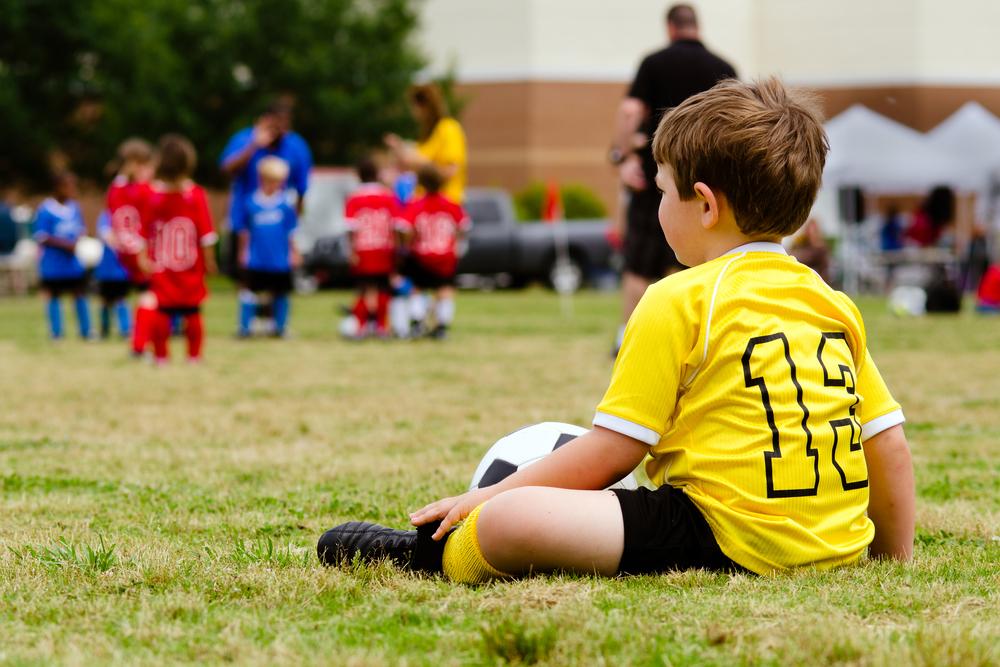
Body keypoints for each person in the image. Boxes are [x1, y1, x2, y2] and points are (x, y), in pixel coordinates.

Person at [317, 78, 915, 583]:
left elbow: (611, 451)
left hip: (721, 533)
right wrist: (891, 562)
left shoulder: (678, 297)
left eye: (660, 191)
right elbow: (886, 443)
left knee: (512, 519)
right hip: (831, 546)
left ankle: (431, 556)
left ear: (704, 205)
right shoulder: (831, 301)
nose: (656, 208)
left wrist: (484, 500)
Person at [610, 4, 736, 355]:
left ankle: (628, 339)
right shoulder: (723, 69)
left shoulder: (654, 63)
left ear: (670, 29)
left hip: (657, 180)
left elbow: (629, 111)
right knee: (686, 267)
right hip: (704, 185)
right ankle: (686, 343)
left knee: (638, 265)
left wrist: (621, 156)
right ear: (697, 27)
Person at [145, 135, 218, 363]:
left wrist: (143, 258)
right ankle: (194, 356)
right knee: (193, 311)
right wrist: (210, 262)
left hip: (163, 265)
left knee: (162, 311)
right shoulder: (195, 195)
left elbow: (145, 232)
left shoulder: (153, 195)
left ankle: (161, 356)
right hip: (190, 266)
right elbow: (206, 235)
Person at [220, 101, 311, 268]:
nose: (281, 130)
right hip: (245, 219)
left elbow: (302, 188)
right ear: (266, 120)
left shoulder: (296, 146)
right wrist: (254, 145)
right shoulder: (245, 139)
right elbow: (226, 169)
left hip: (278, 220)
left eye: (286, 125)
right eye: (277, 124)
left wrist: (293, 223)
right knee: (245, 268)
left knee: (277, 269)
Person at [398, 165, 470, 339]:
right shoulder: (450, 204)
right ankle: (441, 327)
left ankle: (417, 323)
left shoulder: (416, 204)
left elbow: (403, 228)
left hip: (422, 255)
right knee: (444, 290)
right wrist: (456, 242)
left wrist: (410, 242)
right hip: (446, 255)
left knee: (417, 288)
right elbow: (465, 226)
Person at [233, 156, 298, 338]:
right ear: (263, 179)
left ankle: (280, 327)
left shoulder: (285, 204)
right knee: (249, 292)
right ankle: (245, 328)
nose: (276, 185)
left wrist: (294, 253)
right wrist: (242, 253)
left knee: (280, 293)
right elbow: (244, 232)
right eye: (273, 181)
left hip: (278, 259)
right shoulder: (251, 203)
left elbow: (291, 232)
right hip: (256, 258)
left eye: (279, 182)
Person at [106, 138, 156, 351]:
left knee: (144, 295)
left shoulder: (115, 189)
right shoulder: (143, 190)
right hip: (142, 250)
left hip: (124, 251)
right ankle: (140, 342)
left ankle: (140, 337)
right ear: (136, 164)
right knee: (150, 296)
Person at [343, 156, 402, 337]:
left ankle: (360, 326)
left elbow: (350, 229)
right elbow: (397, 227)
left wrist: (351, 251)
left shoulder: (354, 198)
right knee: (383, 288)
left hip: (363, 249)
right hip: (384, 249)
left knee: (363, 288)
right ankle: (380, 326)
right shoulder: (388, 196)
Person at [385, 83, 467, 205]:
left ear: (425, 107)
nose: (414, 113)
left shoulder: (448, 128)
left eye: (415, 107)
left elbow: (451, 170)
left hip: (445, 206)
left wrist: (420, 162)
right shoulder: (427, 136)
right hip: (424, 205)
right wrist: (400, 150)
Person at [33, 171, 91, 340]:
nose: (72, 189)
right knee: (54, 294)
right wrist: (65, 244)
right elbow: (41, 236)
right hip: (53, 263)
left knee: (79, 293)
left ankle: (86, 331)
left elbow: (80, 230)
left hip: (72, 263)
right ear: (58, 187)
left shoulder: (74, 207)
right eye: (68, 186)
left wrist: (81, 242)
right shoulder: (45, 209)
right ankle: (57, 332)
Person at [93, 210, 132, 339]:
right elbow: (106, 235)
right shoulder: (106, 216)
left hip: (122, 269)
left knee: (121, 299)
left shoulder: (129, 215)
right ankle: (104, 330)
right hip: (106, 269)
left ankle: (125, 330)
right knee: (105, 300)